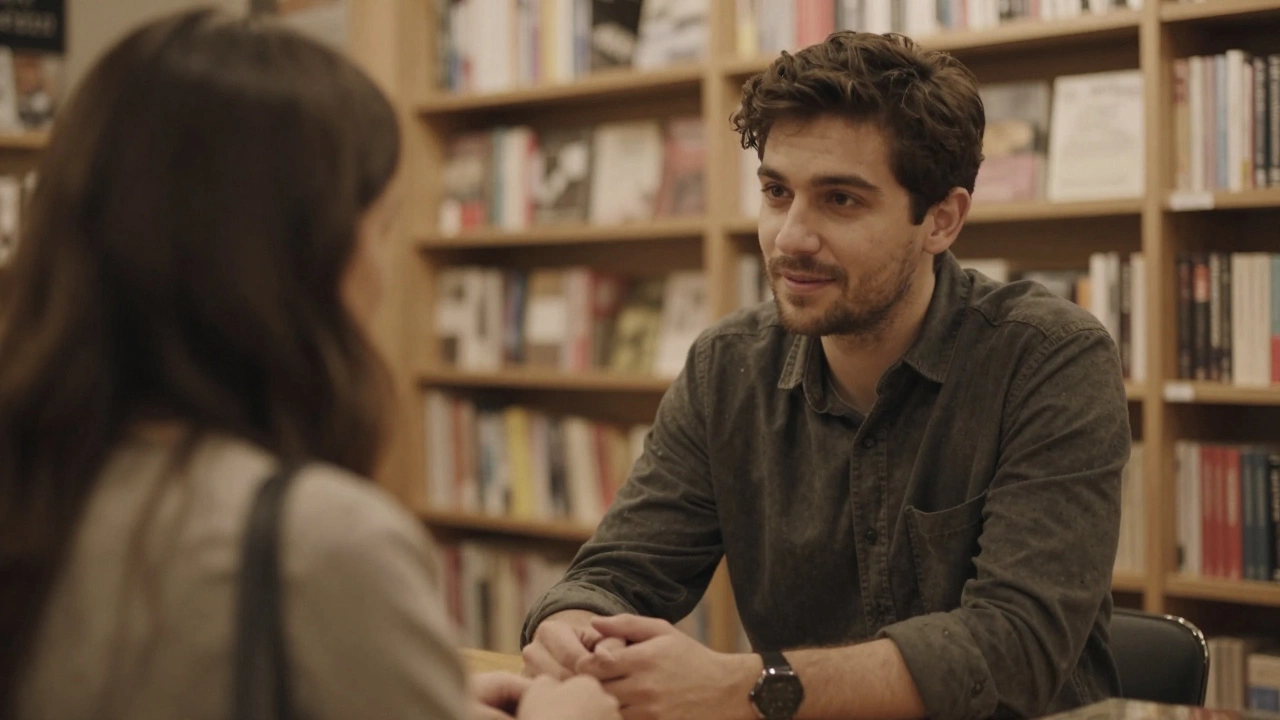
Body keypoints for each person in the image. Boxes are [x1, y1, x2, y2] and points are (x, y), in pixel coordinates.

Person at [0, 8, 621, 720]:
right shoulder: (319, 545)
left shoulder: (35, 483)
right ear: (296, 258)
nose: (386, 276)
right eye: (382, 228)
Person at [519, 30, 1131, 720]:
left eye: (840, 200)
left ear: (942, 220)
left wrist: (741, 686)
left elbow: (1015, 647)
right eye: (777, 192)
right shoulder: (727, 368)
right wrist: (574, 635)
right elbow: (613, 576)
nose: (790, 238)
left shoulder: (1049, 358)